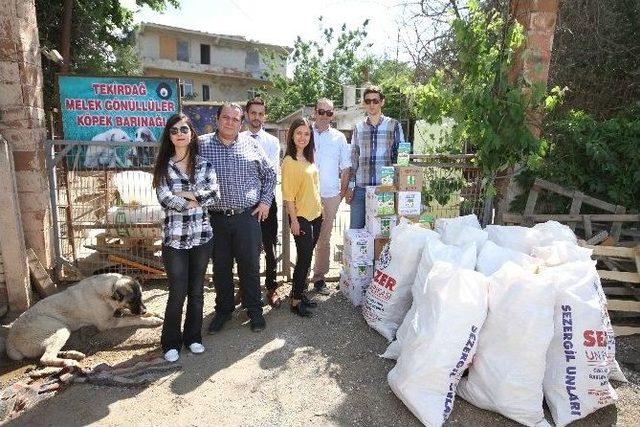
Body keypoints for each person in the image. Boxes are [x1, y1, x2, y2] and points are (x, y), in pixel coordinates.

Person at [199, 103, 276, 333]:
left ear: (241, 123)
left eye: (235, 119)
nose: (230, 122)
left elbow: (270, 174)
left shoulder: (251, 144)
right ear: (217, 118)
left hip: (246, 218)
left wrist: (265, 202)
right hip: (216, 219)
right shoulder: (202, 145)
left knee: (250, 267)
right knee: (221, 268)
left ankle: (254, 311)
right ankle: (223, 311)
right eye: (226, 117)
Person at [152, 113, 220, 362]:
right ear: (169, 137)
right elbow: (165, 198)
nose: (179, 133)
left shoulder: (205, 165)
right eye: (174, 130)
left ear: (191, 133)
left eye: (184, 129)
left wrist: (185, 195)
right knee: (177, 292)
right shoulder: (163, 166)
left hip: (202, 237)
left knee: (197, 290)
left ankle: (193, 338)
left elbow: (213, 194)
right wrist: (193, 198)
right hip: (175, 240)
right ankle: (171, 342)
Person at [239, 97, 282, 307]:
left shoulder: (272, 142)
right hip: (244, 203)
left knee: (269, 246)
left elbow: (271, 173)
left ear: (265, 116)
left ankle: (272, 288)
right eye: (253, 113)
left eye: (260, 113)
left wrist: (264, 201)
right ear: (247, 115)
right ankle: (246, 289)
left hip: (267, 202)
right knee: (245, 249)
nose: (256, 117)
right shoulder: (237, 139)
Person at [346, 86, 405, 229]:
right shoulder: (358, 127)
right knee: (357, 231)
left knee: (382, 233)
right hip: (361, 188)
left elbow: (402, 156)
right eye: (368, 101)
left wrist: (401, 185)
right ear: (364, 104)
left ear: (382, 102)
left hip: (384, 188)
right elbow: (354, 158)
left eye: (375, 101)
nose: (372, 104)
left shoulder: (393, 125)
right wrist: (350, 186)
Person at [281, 117, 323, 317]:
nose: (302, 137)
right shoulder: (289, 162)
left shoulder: (309, 159)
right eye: (299, 133)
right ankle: (296, 301)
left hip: (316, 215)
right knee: (305, 258)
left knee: (305, 258)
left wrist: (320, 210)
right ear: (292, 135)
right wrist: (294, 221)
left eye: (307, 133)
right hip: (301, 217)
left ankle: (299, 292)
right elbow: (288, 196)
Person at [310, 98, 351, 295]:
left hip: (330, 195)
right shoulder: (304, 132)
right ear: (314, 112)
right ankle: (299, 279)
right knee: (303, 238)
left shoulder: (339, 138)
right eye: (321, 111)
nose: (325, 116)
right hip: (306, 196)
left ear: (332, 115)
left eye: (329, 113)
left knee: (323, 239)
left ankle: (319, 278)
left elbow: (345, 168)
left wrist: (341, 193)